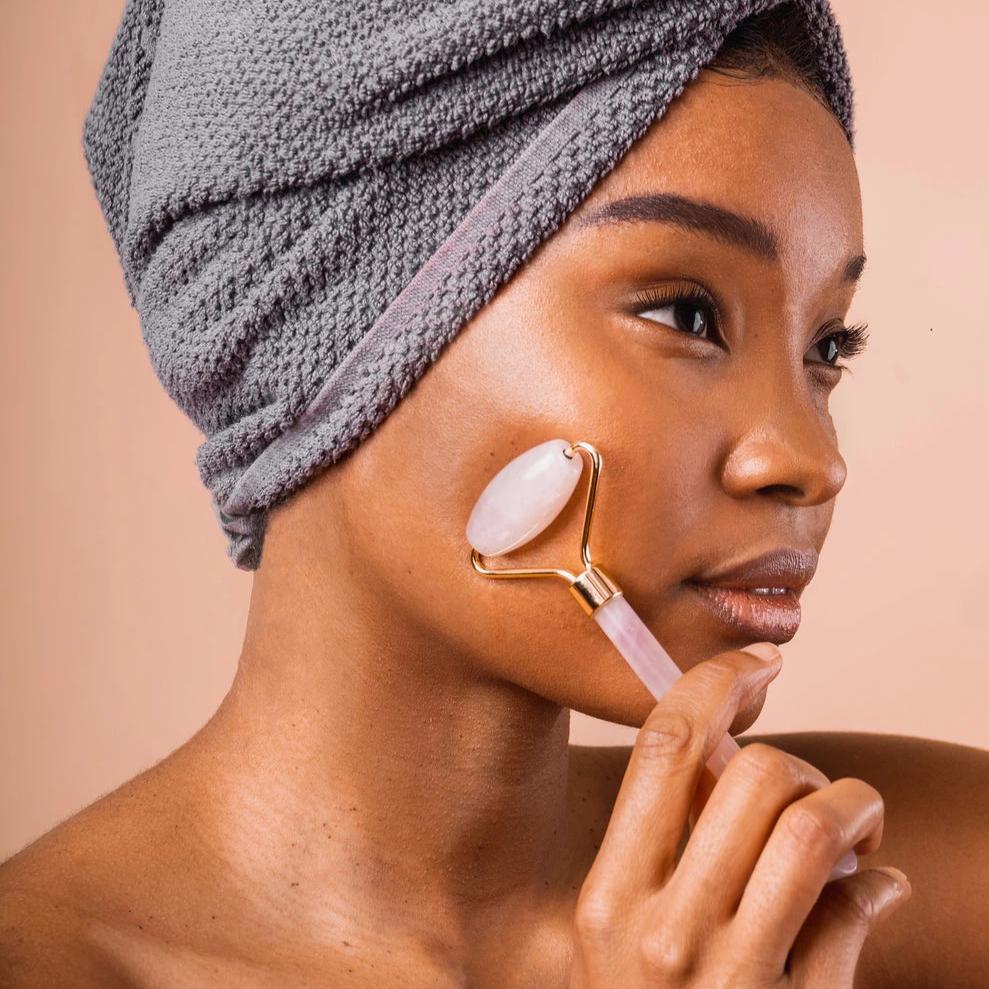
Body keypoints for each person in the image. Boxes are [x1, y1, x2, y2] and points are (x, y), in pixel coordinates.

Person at [2, 4, 987, 987]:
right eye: (686, 313)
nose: (810, 459)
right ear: (342, 341)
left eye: (827, 345)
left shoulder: (894, 890)